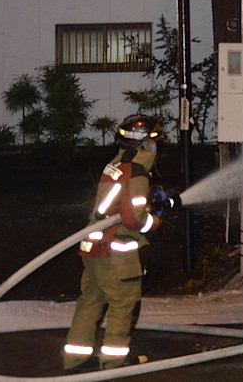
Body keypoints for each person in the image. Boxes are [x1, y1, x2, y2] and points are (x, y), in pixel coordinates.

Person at [62, 115, 168, 372]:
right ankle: (114, 362)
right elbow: (134, 219)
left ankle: (75, 359)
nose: (156, 147)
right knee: (123, 305)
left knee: (91, 302)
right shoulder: (138, 172)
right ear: (146, 144)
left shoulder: (116, 164)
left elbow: (118, 202)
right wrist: (154, 222)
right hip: (117, 252)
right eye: (154, 142)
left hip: (94, 247)